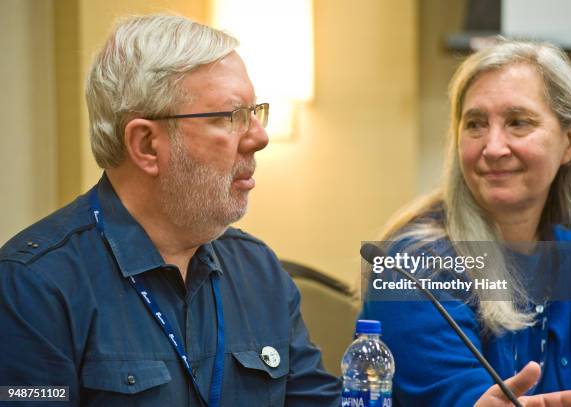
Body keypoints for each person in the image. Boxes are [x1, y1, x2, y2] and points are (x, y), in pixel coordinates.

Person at [0, 14, 340, 406]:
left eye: (254, 112)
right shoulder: (35, 286)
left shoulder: (258, 270)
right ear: (146, 144)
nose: (259, 137)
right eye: (230, 117)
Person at [361, 39, 571, 406]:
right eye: (475, 124)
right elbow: (457, 397)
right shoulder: (413, 265)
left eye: (518, 123)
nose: (493, 147)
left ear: (570, 142)